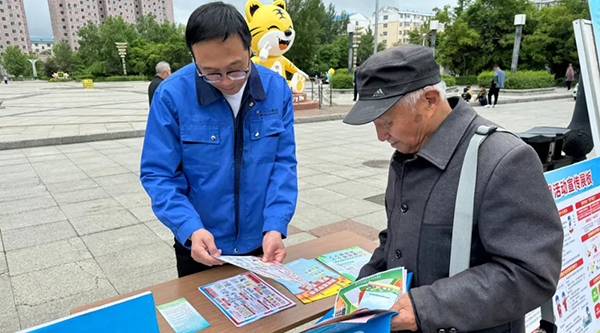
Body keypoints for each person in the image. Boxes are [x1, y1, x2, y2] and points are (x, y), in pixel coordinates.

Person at [343, 45, 563, 332]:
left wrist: (424, 309)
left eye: (387, 122)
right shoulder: (407, 155)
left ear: (430, 100)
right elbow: (395, 235)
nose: (381, 136)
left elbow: (532, 273)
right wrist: (362, 287)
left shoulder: (502, 159)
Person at [140, 2, 298, 278]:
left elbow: (282, 164)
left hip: (259, 242)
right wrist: (189, 227)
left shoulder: (276, 90)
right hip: (200, 244)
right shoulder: (172, 95)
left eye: (237, 68)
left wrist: (275, 225)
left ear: (250, 49)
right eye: (211, 72)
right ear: (193, 58)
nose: (226, 81)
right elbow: (158, 173)